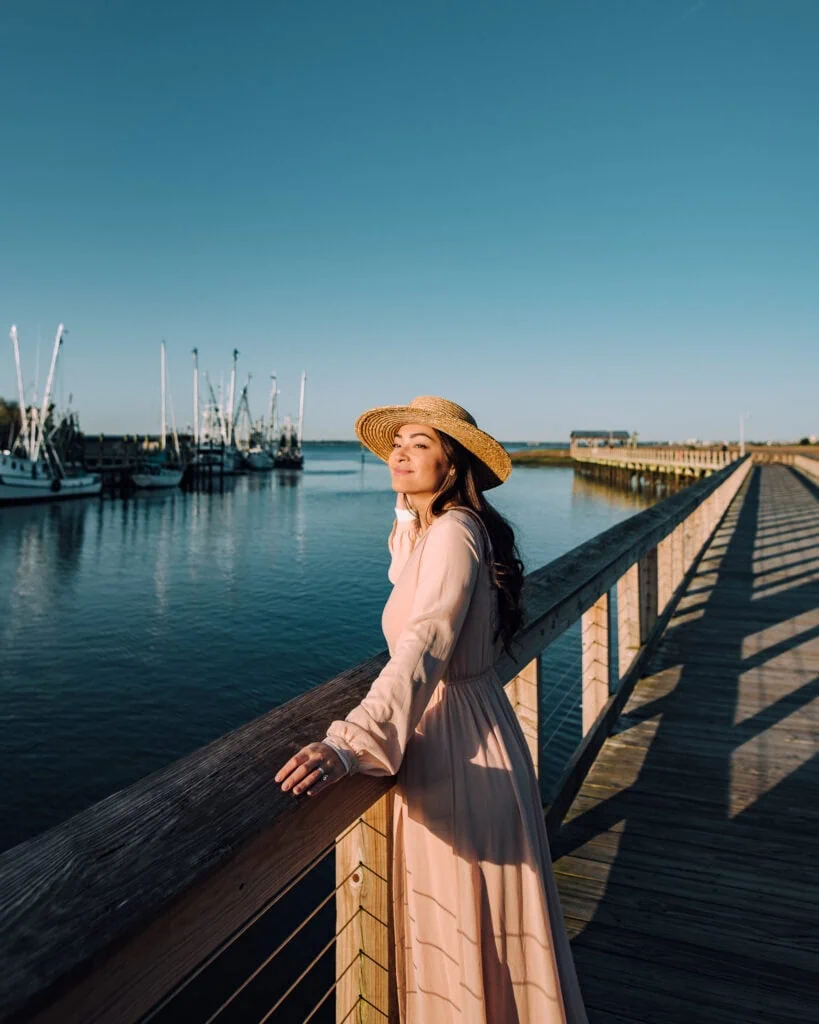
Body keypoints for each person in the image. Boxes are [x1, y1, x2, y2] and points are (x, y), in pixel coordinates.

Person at [275, 396, 588, 1023]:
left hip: (456, 751)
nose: (399, 452)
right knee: (480, 926)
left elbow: (425, 643)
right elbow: (411, 581)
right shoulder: (444, 529)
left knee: (460, 924)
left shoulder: (453, 534)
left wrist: (348, 742)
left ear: (454, 462)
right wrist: (411, 508)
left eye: (420, 444)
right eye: (398, 442)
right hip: (468, 728)